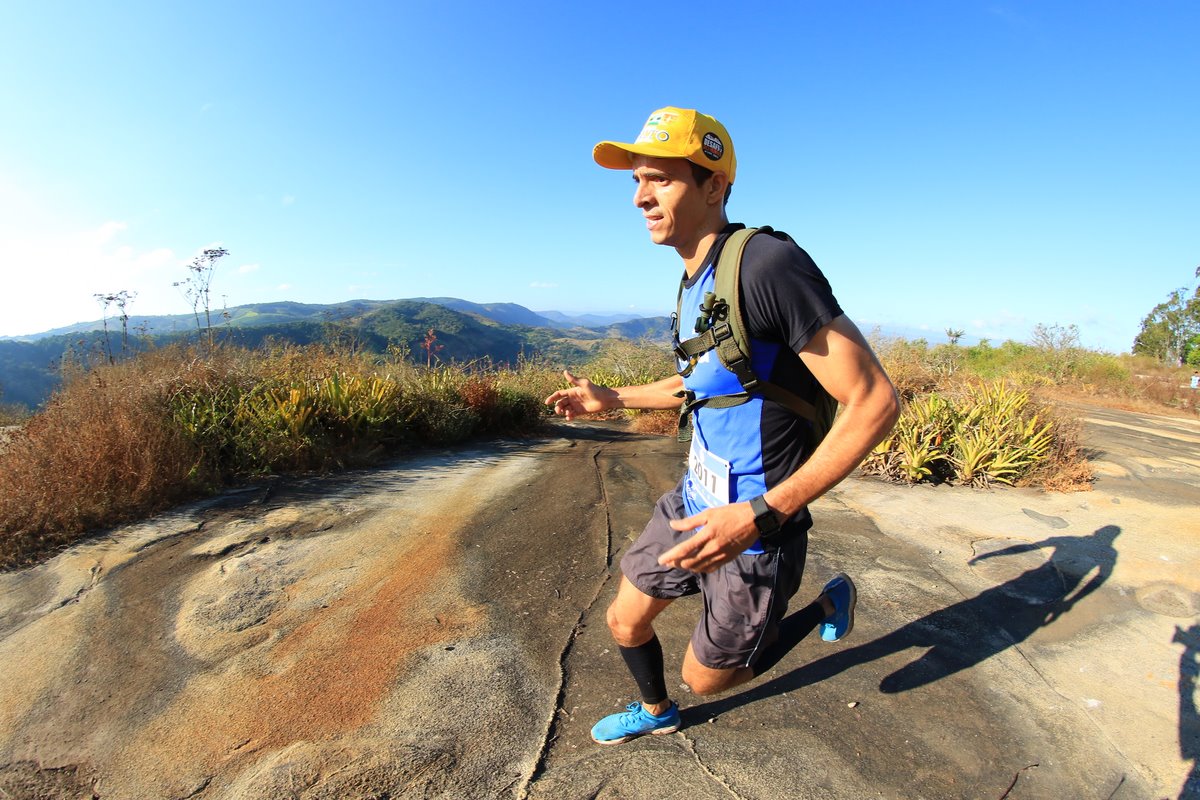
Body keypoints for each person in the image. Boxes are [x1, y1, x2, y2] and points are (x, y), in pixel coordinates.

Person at [544, 106, 900, 745]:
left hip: (757, 532)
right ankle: (657, 713)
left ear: (714, 186)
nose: (640, 197)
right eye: (635, 181)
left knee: (708, 678)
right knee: (625, 622)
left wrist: (764, 513)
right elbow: (706, 379)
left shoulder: (764, 265)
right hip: (693, 503)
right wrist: (613, 397)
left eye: (660, 179)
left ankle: (824, 604)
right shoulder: (692, 281)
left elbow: (874, 400)